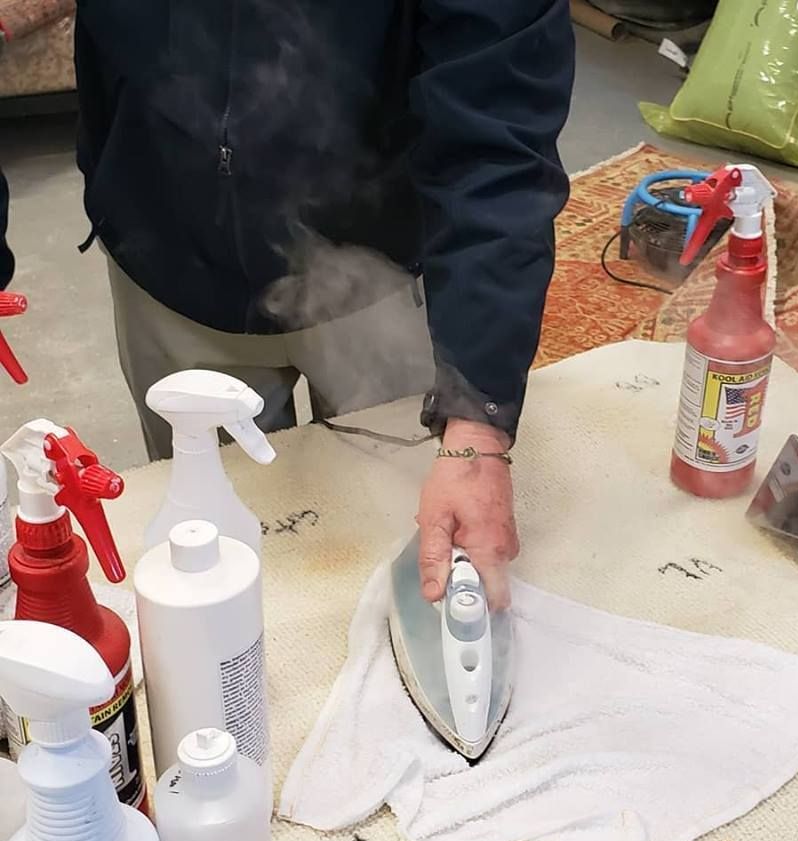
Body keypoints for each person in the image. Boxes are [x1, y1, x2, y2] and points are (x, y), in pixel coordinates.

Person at [74, 1, 575, 606]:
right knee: (209, 571)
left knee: (404, 561)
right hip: (163, 252)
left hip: (381, 268)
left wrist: (475, 428)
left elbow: (500, 126)